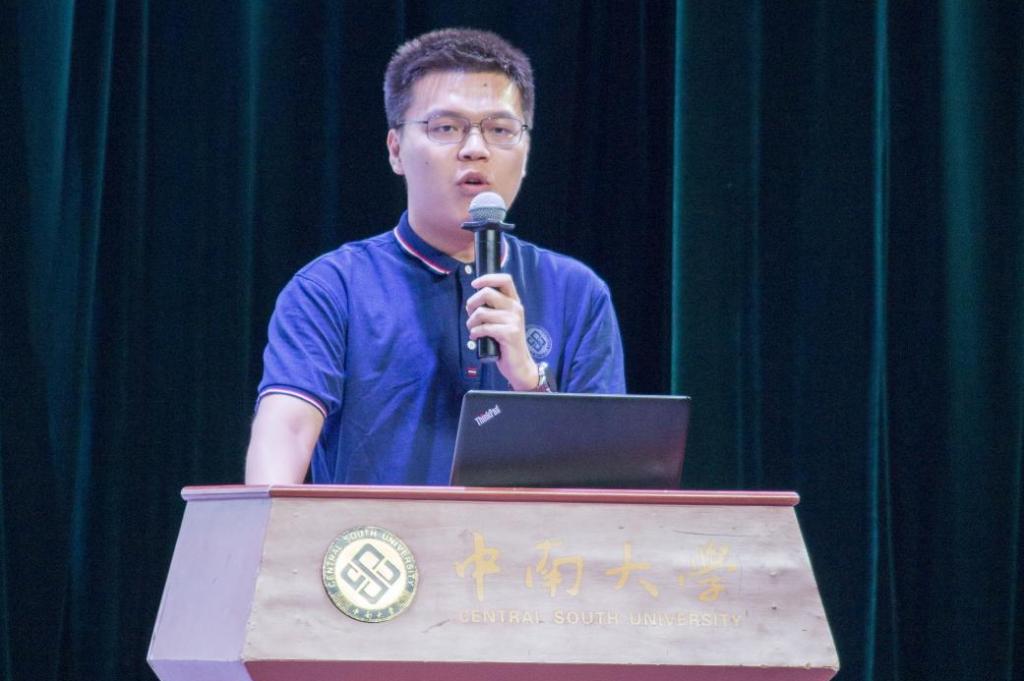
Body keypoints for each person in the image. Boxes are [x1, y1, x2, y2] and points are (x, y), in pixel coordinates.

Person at [245, 28, 625, 485]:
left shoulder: (577, 292)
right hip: (377, 534)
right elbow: (286, 432)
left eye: (500, 130)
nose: (475, 149)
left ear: (525, 153)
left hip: (528, 536)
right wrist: (266, 517)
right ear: (395, 150)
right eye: (446, 128)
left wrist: (529, 380)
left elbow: (605, 481)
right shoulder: (331, 288)